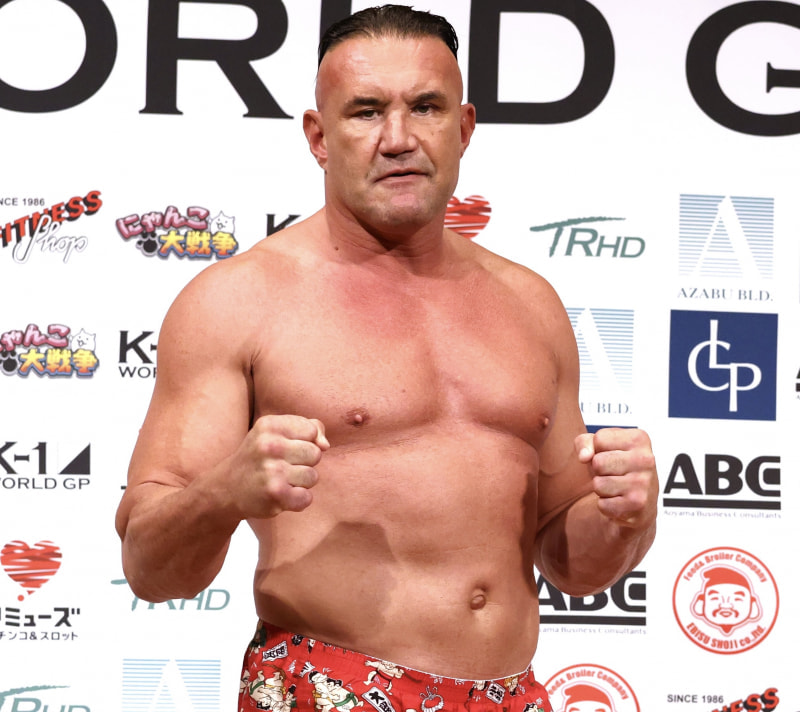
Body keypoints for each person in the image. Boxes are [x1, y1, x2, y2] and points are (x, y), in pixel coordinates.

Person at [115, 6, 658, 711]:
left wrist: (625, 517)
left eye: (425, 108)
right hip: (325, 686)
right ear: (319, 137)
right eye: (366, 112)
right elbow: (150, 567)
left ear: (463, 127)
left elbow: (571, 565)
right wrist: (224, 492)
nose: (398, 139)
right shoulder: (236, 301)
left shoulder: (531, 304)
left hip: (510, 695)